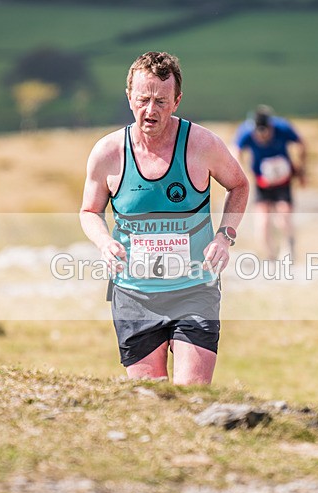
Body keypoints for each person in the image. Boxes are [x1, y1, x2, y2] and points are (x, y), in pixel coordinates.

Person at [80, 51, 249, 384]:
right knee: (150, 399)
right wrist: (103, 241)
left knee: (191, 393)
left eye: (161, 101)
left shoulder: (201, 145)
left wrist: (224, 236)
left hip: (194, 289)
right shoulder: (108, 153)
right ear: (129, 97)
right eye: (143, 99)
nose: (150, 110)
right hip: (133, 292)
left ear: (177, 101)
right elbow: (89, 211)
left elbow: (239, 185)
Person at [233, 105, 306, 261]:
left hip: (283, 180)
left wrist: (301, 170)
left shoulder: (282, 127)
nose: (262, 135)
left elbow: (301, 143)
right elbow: (236, 151)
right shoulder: (246, 131)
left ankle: (289, 248)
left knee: (284, 217)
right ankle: (270, 255)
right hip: (262, 182)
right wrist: (242, 175)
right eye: (258, 132)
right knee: (263, 223)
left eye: (265, 132)